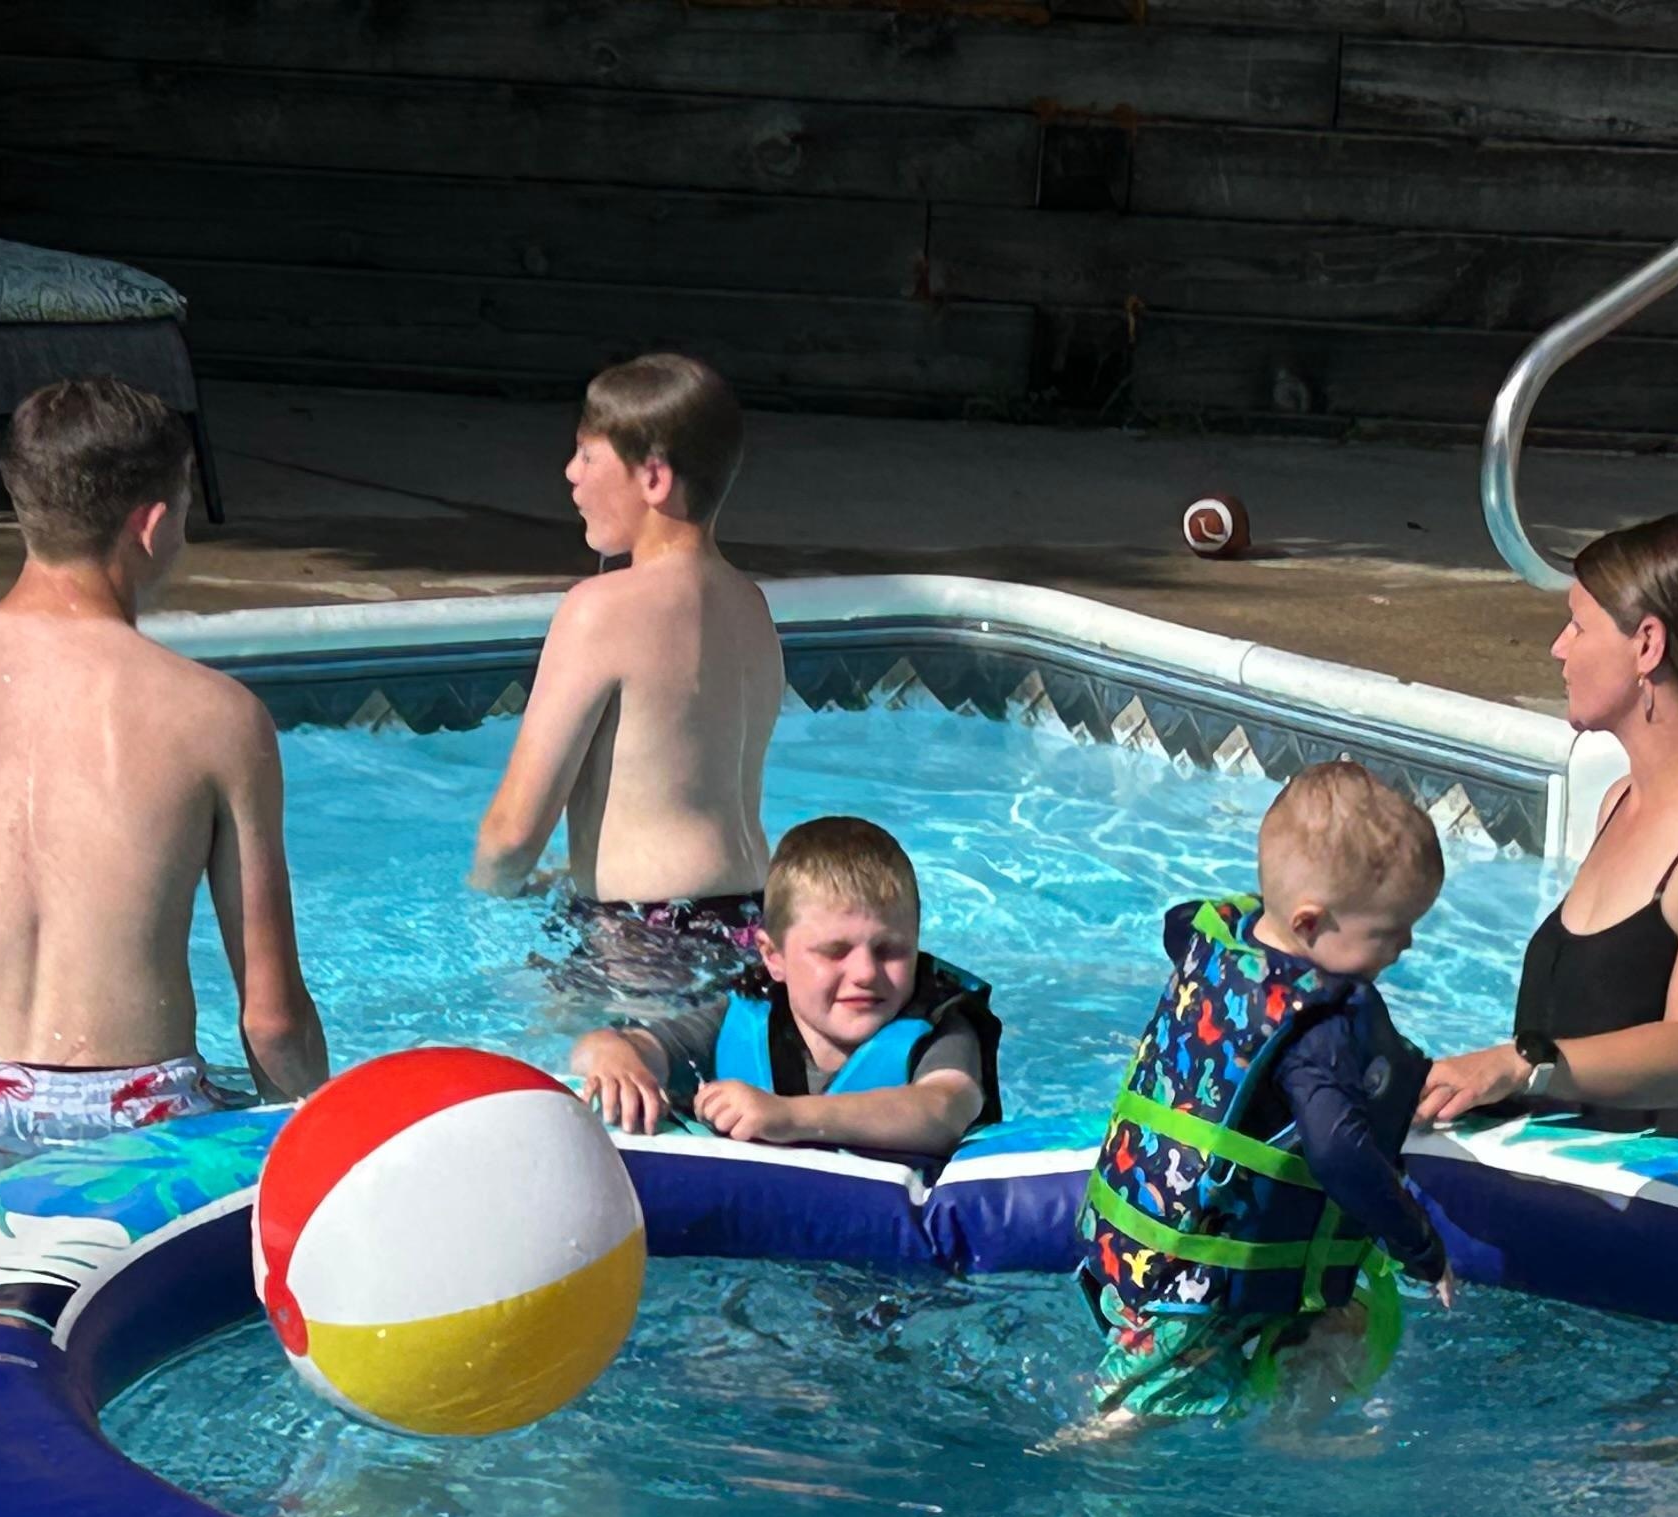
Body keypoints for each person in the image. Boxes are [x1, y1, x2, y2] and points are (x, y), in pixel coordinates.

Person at [0, 376, 328, 1151]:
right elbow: (272, 1022)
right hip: (130, 1116)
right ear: (154, 523)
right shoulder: (218, 719)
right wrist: (318, 1131)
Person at [1417, 513, 1678, 1155]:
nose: (1558, 647)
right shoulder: (1619, 802)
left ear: (1647, 645)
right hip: (1588, 1196)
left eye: (1578, 624)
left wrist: (1521, 1064)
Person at [1081, 762, 1456, 1424]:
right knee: (1128, 1419)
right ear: (1310, 924)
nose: (1406, 945)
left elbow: (1179, 928)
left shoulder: (1211, 938)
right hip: (1198, 1282)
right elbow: (1339, 1152)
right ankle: (1079, 1481)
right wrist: (1420, 1246)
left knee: (1334, 1326)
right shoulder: (1321, 1033)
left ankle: (1294, 1432)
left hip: (1143, 1236)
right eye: (1389, 931)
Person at [468, 354, 783, 994]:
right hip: (760, 924)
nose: (570, 475)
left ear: (654, 477)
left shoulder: (601, 610)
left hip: (645, 939)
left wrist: (481, 903)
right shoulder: (752, 604)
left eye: (587, 455)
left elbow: (513, 832)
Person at [567, 815, 1001, 1160]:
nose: (866, 973)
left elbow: (943, 1110)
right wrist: (616, 1060)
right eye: (834, 951)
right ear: (773, 957)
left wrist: (787, 1115)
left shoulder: (941, 1029)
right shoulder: (742, 1017)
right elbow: (611, 1045)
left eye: (891, 950)